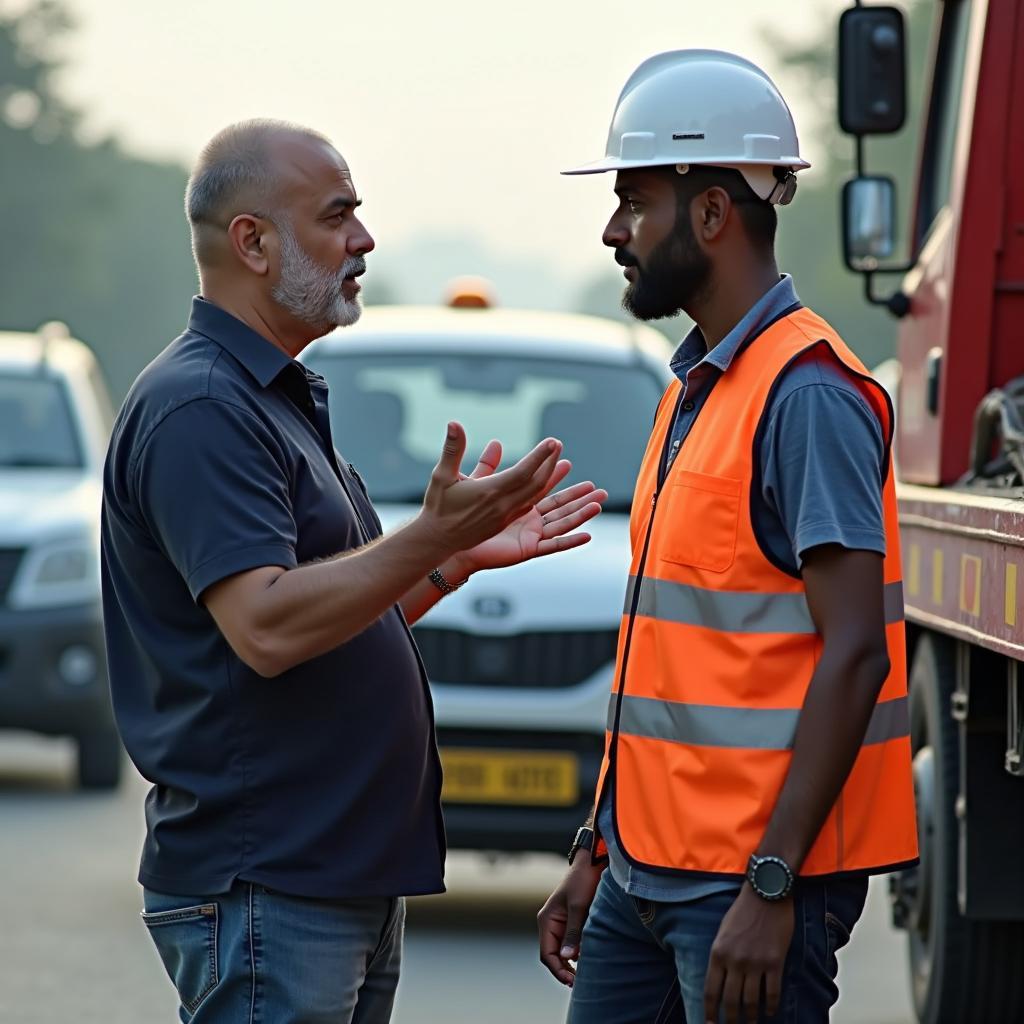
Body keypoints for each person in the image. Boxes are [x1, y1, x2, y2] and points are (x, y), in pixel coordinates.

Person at [101, 118, 606, 1024]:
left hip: (329, 880)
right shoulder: (203, 408)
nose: (364, 241)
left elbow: (323, 621)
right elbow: (265, 627)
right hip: (268, 881)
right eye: (339, 217)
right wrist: (423, 539)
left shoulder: (267, 397)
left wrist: (447, 560)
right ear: (253, 242)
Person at [537, 51, 918, 1024]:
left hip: (746, 889)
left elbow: (852, 654)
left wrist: (774, 883)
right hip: (642, 874)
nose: (614, 231)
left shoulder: (809, 397)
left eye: (635, 203)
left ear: (710, 213)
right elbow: (665, 662)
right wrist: (597, 845)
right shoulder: (697, 392)